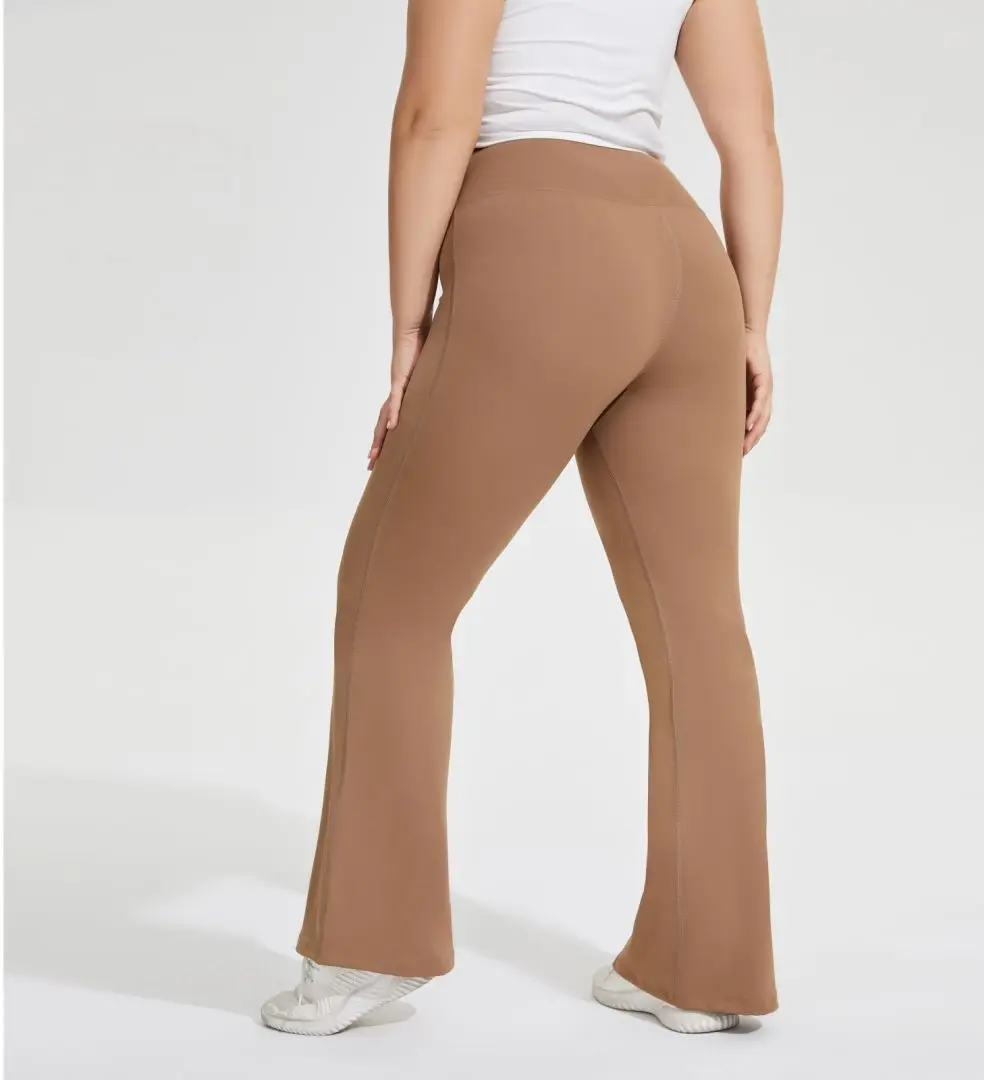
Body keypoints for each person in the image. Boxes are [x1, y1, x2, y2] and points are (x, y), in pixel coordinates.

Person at [261, 0, 782, 1036]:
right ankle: (704, 972)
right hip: (686, 263)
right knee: (698, 625)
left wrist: (408, 326)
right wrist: (755, 323)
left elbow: (435, 117)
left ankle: (367, 947)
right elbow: (752, 134)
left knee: (393, 597)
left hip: (539, 241)